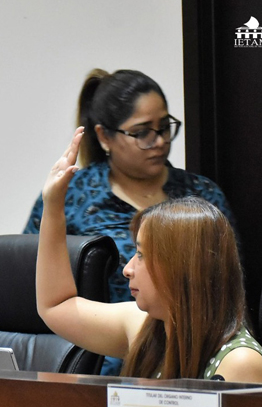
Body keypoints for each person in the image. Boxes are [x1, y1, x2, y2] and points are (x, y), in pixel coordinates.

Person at [23, 69, 235, 376]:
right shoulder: (75, 194)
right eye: (142, 132)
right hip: (105, 359)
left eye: (164, 127)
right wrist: (53, 204)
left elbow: (227, 288)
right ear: (104, 136)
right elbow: (50, 301)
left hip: (195, 343)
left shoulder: (201, 197)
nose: (159, 141)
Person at [35, 128, 262, 383]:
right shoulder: (146, 325)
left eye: (141, 255)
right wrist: (53, 204)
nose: (127, 269)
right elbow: (56, 306)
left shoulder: (240, 362)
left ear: (182, 267)